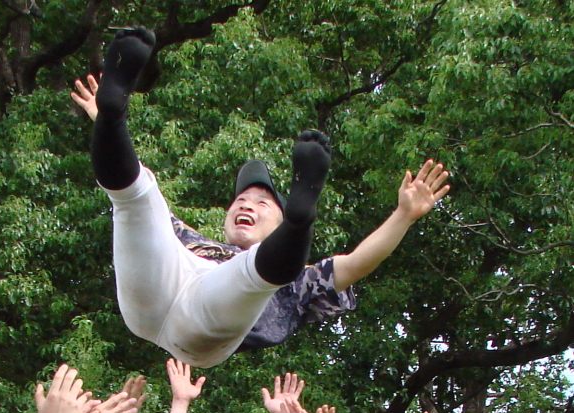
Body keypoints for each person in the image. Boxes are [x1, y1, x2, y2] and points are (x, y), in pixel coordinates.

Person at [79, 27, 450, 367]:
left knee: (250, 274)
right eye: (240, 201)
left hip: (207, 324)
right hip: (161, 286)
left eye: (262, 203)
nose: (246, 204)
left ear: (276, 224)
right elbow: (139, 199)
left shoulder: (301, 282)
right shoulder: (189, 239)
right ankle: (114, 115)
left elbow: (354, 264)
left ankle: (299, 221)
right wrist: (103, 125)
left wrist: (403, 215)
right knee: (139, 198)